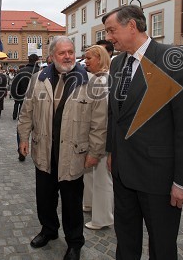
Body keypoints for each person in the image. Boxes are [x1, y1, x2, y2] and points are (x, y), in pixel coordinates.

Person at [103, 5, 183, 259]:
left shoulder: (177, 59)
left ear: (132, 26)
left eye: (111, 30)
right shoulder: (117, 64)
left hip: (159, 176)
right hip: (123, 172)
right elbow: (114, 114)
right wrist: (111, 150)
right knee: (125, 240)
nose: (108, 37)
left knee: (161, 245)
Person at [18, 37, 107, 260]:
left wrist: (95, 153)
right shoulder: (38, 79)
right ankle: (48, 230)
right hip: (44, 151)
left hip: (74, 154)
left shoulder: (90, 81)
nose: (68, 56)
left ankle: (75, 242)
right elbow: (26, 111)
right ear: (51, 56)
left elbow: (99, 123)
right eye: (62, 53)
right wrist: (23, 138)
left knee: (71, 204)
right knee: (45, 198)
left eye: (70, 51)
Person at [81, 45, 113, 230]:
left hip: (101, 136)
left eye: (89, 58)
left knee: (102, 178)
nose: (86, 61)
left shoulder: (103, 81)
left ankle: (103, 218)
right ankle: (90, 204)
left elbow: (102, 116)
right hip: (92, 135)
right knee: (90, 175)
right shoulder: (96, 79)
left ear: (100, 59)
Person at [11, 54, 40, 161]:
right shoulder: (41, 72)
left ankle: (21, 149)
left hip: (23, 100)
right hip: (39, 102)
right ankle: (39, 151)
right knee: (39, 127)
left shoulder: (21, 71)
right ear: (37, 60)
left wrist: (17, 98)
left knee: (22, 125)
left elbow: (14, 85)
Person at [11, 54, 39, 120]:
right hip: (36, 97)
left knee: (23, 117)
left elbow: (15, 84)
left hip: (22, 96)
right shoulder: (40, 71)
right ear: (37, 61)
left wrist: (15, 95)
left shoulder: (21, 71)